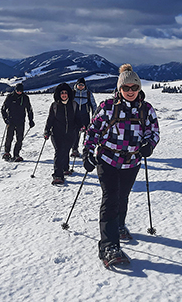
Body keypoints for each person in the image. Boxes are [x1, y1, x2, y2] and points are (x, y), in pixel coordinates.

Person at [82, 64, 160, 266]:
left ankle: (119, 225)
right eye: (126, 88)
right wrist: (88, 152)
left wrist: (148, 145)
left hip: (131, 162)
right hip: (107, 160)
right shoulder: (107, 107)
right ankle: (109, 246)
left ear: (139, 88)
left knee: (122, 196)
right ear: (119, 89)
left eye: (134, 87)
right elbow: (93, 131)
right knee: (111, 198)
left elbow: (154, 132)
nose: (131, 91)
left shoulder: (146, 109)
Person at [44, 83, 82, 185]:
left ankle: (65, 168)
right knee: (59, 151)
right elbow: (50, 120)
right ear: (58, 94)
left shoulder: (74, 105)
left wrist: (81, 126)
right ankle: (57, 175)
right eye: (62, 93)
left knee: (66, 151)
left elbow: (78, 119)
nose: (64, 95)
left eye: (65, 93)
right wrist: (46, 131)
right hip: (56, 134)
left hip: (70, 133)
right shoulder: (55, 106)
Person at [1, 83, 35, 162]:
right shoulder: (10, 97)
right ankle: (7, 152)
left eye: (20, 91)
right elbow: (3, 109)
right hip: (11, 120)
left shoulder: (25, 98)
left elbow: (29, 109)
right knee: (9, 137)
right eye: (17, 90)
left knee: (19, 139)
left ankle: (16, 154)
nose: (19, 92)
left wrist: (31, 120)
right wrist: (5, 119)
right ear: (15, 90)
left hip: (21, 121)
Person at [71, 77, 98, 158]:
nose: (81, 86)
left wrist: (94, 116)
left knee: (87, 133)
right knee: (75, 133)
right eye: (79, 85)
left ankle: (86, 149)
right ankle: (74, 149)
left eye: (82, 85)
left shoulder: (88, 94)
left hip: (85, 116)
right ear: (76, 85)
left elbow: (93, 105)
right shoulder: (72, 93)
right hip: (75, 116)